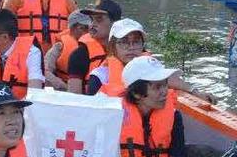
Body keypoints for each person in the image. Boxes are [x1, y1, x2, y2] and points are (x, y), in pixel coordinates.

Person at [115, 56, 212, 157]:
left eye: (165, 84)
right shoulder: (114, 116)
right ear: (137, 93)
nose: (165, 92)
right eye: (158, 87)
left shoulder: (174, 117)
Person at [88, 18, 216, 102]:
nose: (131, 48)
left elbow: (170, 79)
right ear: (112, 47)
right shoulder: (99, 77)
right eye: (124, 42)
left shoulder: (151, 70)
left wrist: (196, 92)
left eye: (136, 42)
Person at [65, 0, 122, 94]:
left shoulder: (131, 51)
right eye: (91, 19)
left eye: (99, 19)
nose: (92, 25)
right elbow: (73, 99)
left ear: (115, 23)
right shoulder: (80, 55)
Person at [43, 10, 91, 90]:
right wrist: (65, 87)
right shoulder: (59, 47)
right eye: (85, 28)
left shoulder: (100, 44)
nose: (90, 32)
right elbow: (45, 72)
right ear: (76, 28)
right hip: (66, 92)